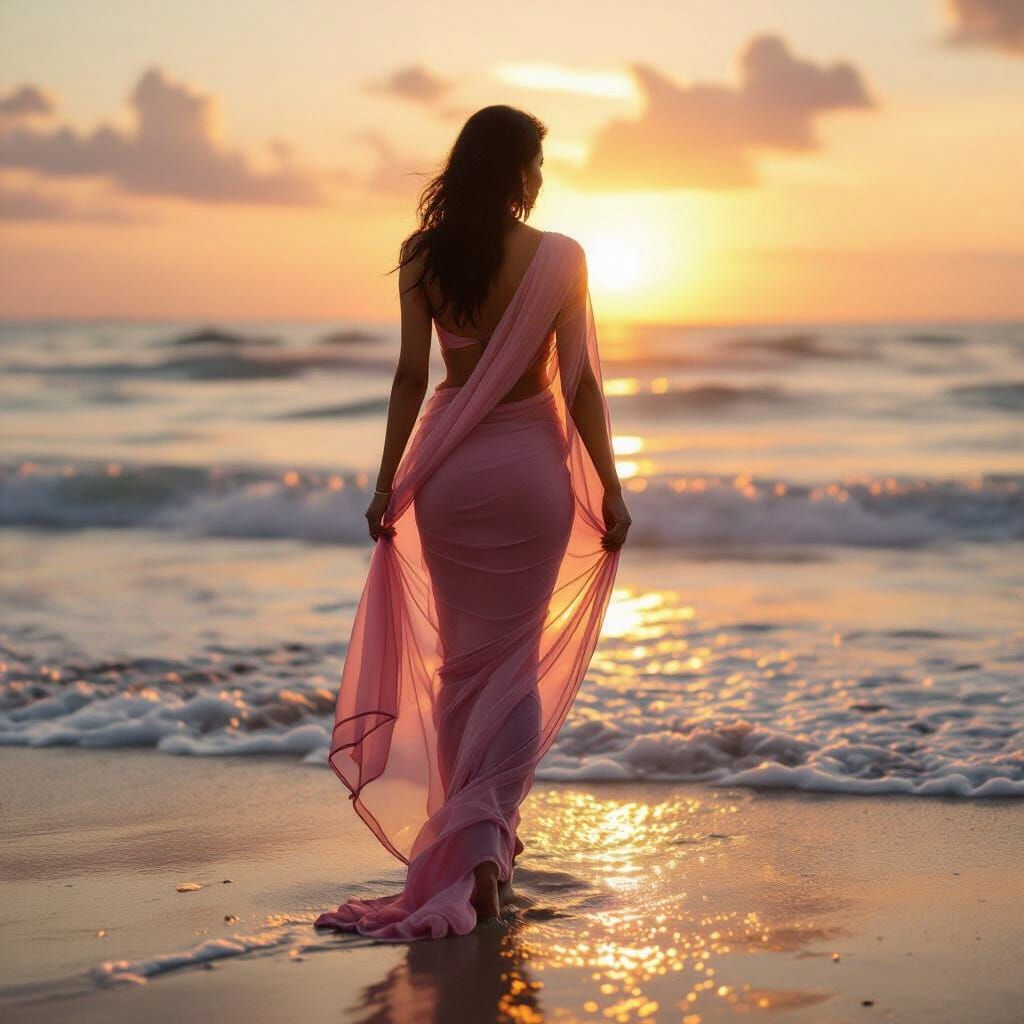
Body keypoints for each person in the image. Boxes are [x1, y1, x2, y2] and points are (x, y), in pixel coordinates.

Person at [315, 105, 630, 941]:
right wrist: (612, 486)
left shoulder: (423, 256)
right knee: (513, 667)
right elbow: (582, 388)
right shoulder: (562, 258)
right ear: (514, 169)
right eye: (536, 163)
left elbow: (411, 378)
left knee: (463, 668)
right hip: (531, 477)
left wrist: (388, 485)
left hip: (450, 477)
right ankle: (485, 862)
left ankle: (477, 855)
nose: (540, 179)